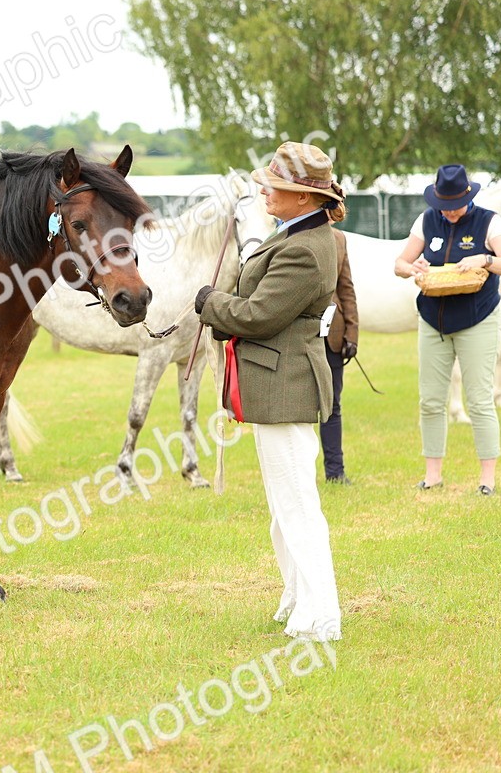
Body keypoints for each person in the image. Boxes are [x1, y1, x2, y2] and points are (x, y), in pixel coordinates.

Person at [195, 141, 343, 642]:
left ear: (304, 197)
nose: (263, 188)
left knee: (298, 505)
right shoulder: (297, 233)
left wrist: (210, 303)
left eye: (274, 185)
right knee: (283, 508)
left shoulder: (305, 248)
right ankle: (298, 596)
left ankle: (322, 615)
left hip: (288, 385)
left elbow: (259, 315)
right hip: (277, 383)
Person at [392, 164, 501, 495]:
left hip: (478, 318)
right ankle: (432, 475)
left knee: (479, 399)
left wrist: (485, 260)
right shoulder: (427, 219)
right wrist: (413, 267)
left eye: (454, 205)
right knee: (430, 400)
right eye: (443, 206)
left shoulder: (489, 221)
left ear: (468, 197)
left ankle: (486, 479)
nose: (448, 212)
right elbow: (399, 264)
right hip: (433, 319)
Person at [321, 226, 359, 485]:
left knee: (332, 407)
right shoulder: (283, 234)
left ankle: (335, 473)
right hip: (297, 337)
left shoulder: (338, 239)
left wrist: (352, 332)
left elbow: (346, 288)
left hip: (332, 335)